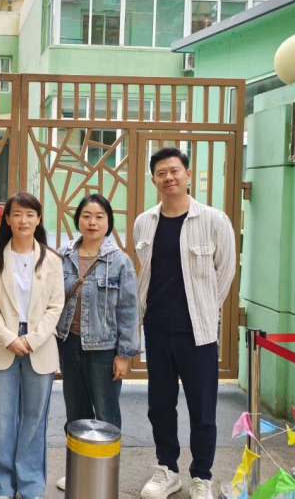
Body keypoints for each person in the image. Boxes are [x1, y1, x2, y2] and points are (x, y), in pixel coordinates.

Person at [133, 147, 236, 499]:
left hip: (198, 332)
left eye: (175, 171)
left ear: (188, 174)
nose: (169, 178)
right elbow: (147, 274)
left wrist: (204, 309)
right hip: (157, 328)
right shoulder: (145, 222)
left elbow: (226, 272)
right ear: (154, 180)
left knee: (202, 409)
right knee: (160, 405)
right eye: (161, 173)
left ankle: (202, 476)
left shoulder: (214, 220)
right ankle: (167, 469)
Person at [0, 193, 65, 499]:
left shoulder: (52, 259)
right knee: (3, 419)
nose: (23, 220)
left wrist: (31, 338)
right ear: (7, 219)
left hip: (39, 345)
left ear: (39, 218)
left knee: (35, 419)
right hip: (1, 343)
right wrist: (9, 337)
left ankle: (30, 485)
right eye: (17, 214)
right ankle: (2, 486)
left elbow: (56, 306)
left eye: (30, 214)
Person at [55, 194, 140, 491]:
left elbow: (129, 310)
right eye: (87, 215)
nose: (92, 222)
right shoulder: (62, 256)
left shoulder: (120, 261)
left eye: (99, 216)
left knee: (106, 416)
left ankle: (105, 478)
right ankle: (80, 472)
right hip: (69, 345)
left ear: (108, 222)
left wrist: (124, 354)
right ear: (78, 219)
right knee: (75, 414)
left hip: (105, 350)